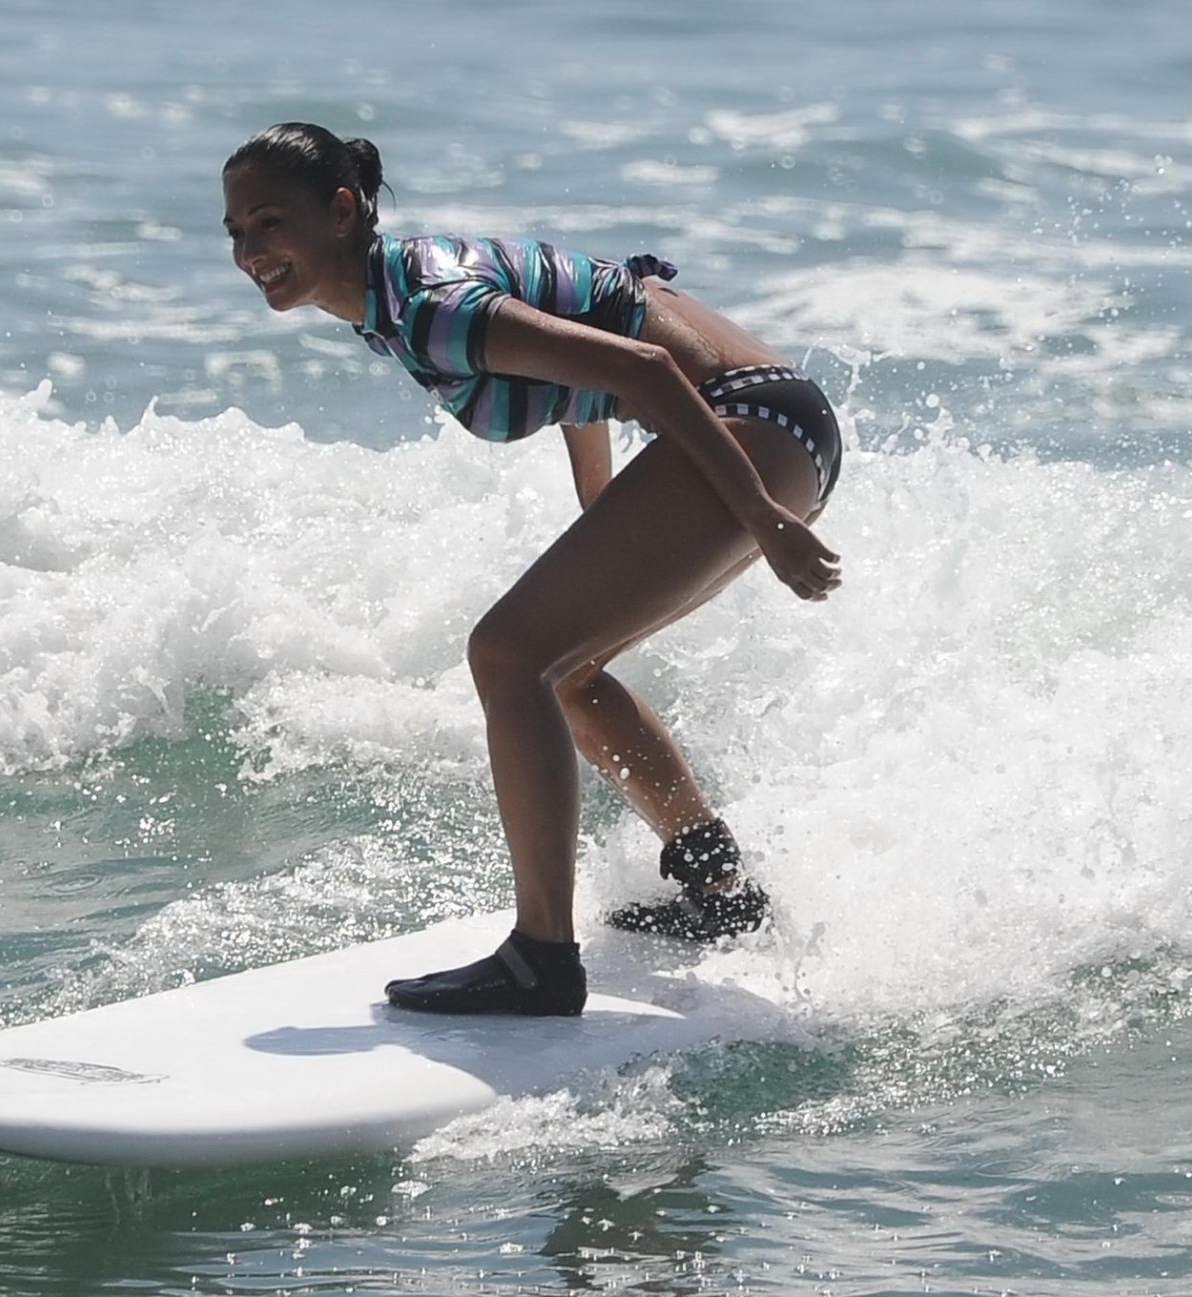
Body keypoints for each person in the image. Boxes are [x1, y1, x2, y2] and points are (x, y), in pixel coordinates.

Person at [221, 123, 843, 1017]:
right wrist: (606, 516)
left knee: (509, 655)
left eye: (269, 223)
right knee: (566, 671)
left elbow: (644, 365)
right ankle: (719, 888)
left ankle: (542, 958)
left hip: (749, 431)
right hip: (764, 428)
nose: (250, 252)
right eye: (236, 232)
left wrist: (763, 522)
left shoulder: (429, 304)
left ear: (344, 210)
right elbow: (584, 375)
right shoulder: (393, 295)